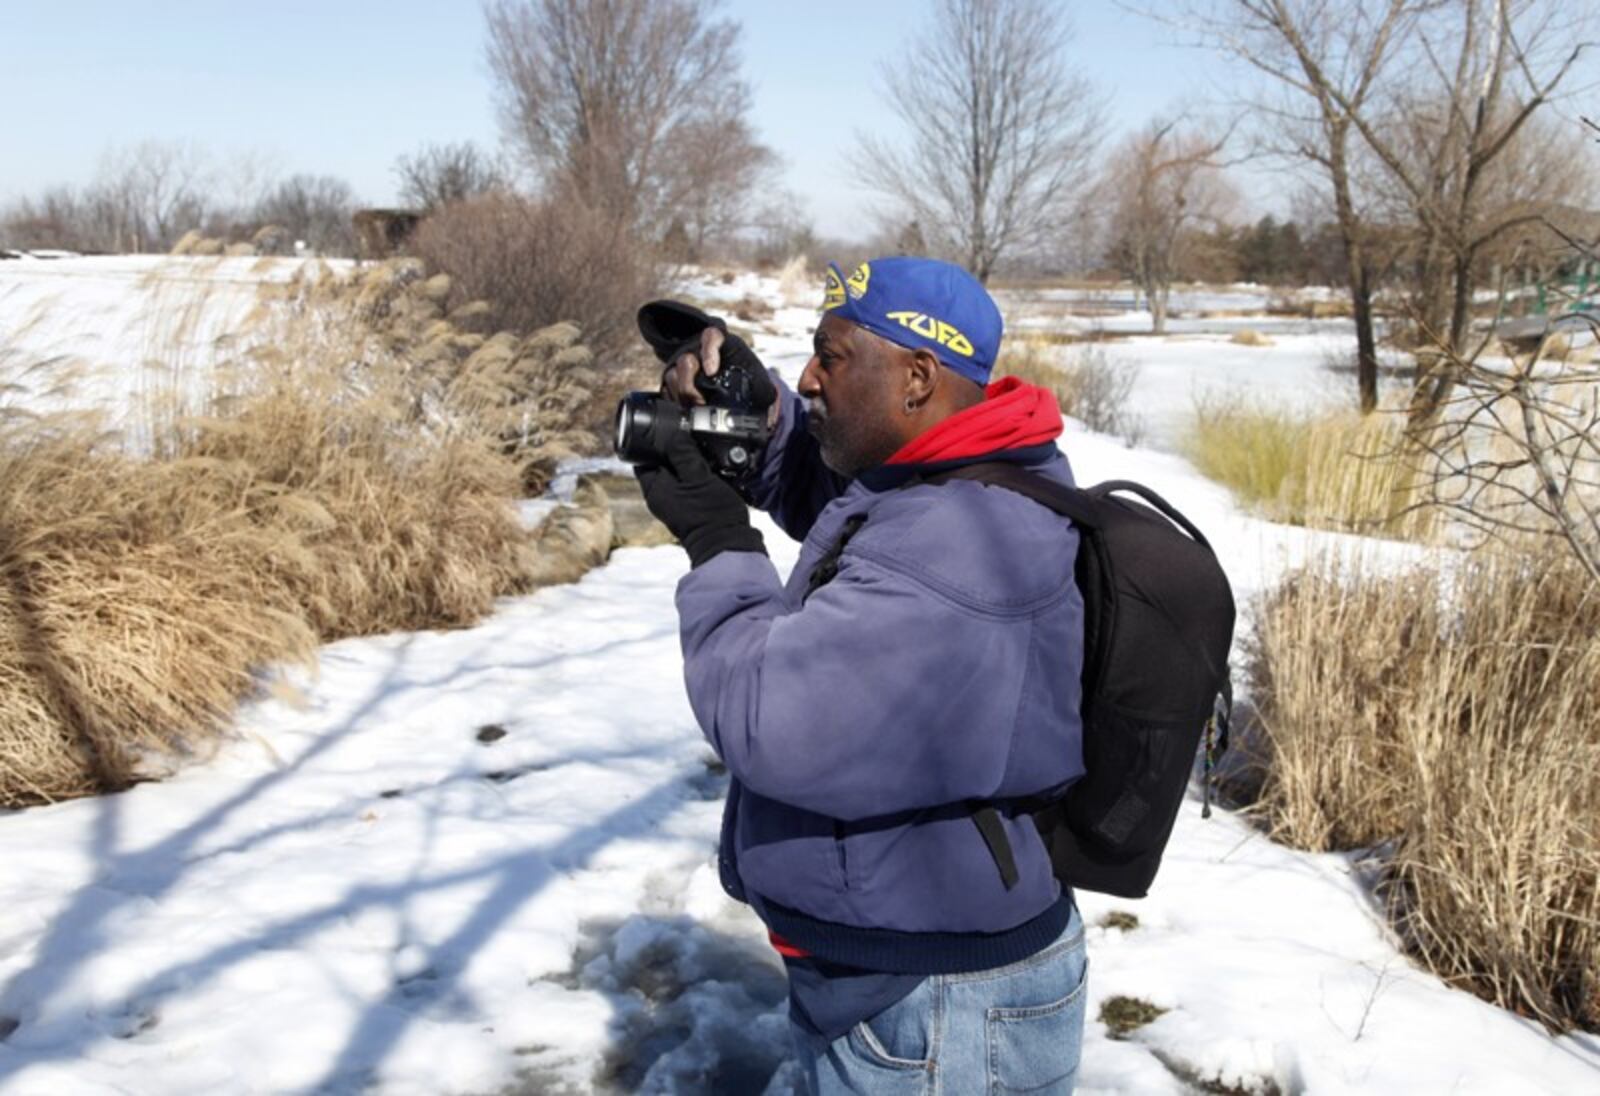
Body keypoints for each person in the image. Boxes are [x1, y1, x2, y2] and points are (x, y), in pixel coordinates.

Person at [637, 257, 1088, 1094]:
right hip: (915, 974)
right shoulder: (967, 475)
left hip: (936, 1012)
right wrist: (764, 421)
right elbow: (849, 513)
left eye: (830, 358)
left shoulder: (956, 544)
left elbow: (768, 720)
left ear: (918, 376)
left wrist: (716, 539)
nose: (809, 375)